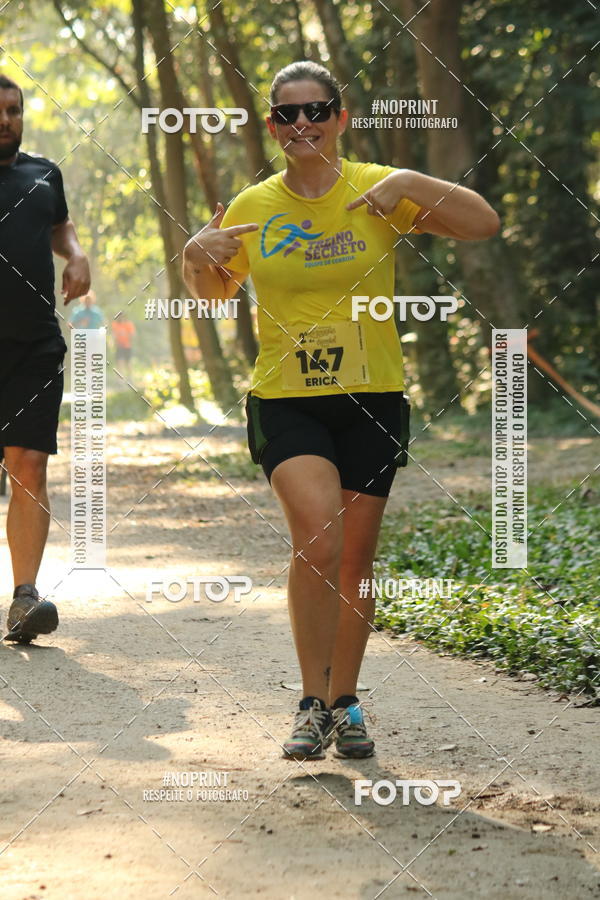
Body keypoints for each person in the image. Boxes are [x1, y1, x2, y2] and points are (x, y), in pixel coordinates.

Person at [182, 61, 499, 760]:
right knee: (318, 539)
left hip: (372, 397)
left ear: (340, 118)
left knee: (355, 557)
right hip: (285, 399)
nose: (302, 124)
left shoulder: (378, 189)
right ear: (272, 127)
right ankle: (309, 702)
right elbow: (211, 292)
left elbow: (484, 223)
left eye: (316, 110)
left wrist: (410, 182)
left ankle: (345, 702)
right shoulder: (254, 205)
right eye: (286, 114)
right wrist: (193, 255)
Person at [0, 74, 90, 643]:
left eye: (13, 109)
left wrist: (76, 255)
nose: (5, 119)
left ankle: (24, 599)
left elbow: (60, 225)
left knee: (29, 464)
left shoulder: (43, 173)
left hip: (35, 344)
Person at [111, 311, 136, 376]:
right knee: (119, 362)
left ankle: (130, 377)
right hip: (119, 346)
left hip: (127, 346)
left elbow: (132, 334)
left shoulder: (129, 324)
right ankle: (120, 378)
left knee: (128, 362)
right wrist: (114, 341)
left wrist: (125, 335)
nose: (121, 318)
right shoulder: (115, 324)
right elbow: (113, 335)